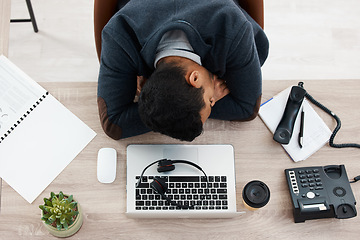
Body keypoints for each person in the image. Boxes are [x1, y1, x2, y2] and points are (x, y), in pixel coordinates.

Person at [97, 0, 269, 141]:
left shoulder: (232, 27)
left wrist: (158, 105)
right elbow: (113, 125)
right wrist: (158, 103)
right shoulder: (120, 32)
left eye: (211, 101)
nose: (214, 100)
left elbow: (248, 109)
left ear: (195, 79)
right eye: (211, 101)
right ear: (195, 79)